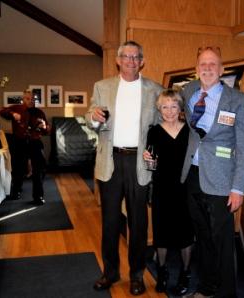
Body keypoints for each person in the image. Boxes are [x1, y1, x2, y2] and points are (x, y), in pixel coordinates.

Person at [85, 40, 162, 296]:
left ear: (142, 61)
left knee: (138, 223)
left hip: (139, 163)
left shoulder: (154, 89)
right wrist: (93, 118)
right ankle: (110, 272)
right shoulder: (102, 86)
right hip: (110, 161)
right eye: (126, 56)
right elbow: (90, 119)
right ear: (118, 60)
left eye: (135, 57)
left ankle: (137, 275)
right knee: (110, 221)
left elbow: (163, 125)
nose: (130, 61)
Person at [180, 47, 244, 298]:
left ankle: (226, 294)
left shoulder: (239, 100)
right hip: (192, 175)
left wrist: (238, 188)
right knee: (202, 237)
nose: (208, 68)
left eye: (213, 64)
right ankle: (206, 288)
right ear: (196, 68)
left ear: (222, 70)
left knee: (222, 242)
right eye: (203, 63)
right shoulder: (188, 92)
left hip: (223, 181)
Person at [143, 89, 194, 295]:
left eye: (174, 106)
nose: (170, 111)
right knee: (161, 234)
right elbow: (152, 165)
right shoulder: (154, 131)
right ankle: (162, 272)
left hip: (185, 189)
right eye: (165, 106)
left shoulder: (190, 131)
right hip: (162, 189)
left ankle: (185, 273)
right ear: (159, 109)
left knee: (185, 235)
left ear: (180, 108)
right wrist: (149, 160)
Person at [0, 89, 50, 205]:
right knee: (18, 169)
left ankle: (38, 197)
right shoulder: (16, 108)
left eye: (33, 99)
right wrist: (12, 114)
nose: (31, 101)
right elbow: (2, 111)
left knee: (38, 170)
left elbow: (46, 131)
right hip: (20, 142)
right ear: (23, 99)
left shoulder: (39, 112)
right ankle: (16, 191)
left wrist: (45, 127)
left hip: (35, 142)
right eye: (28, 98)